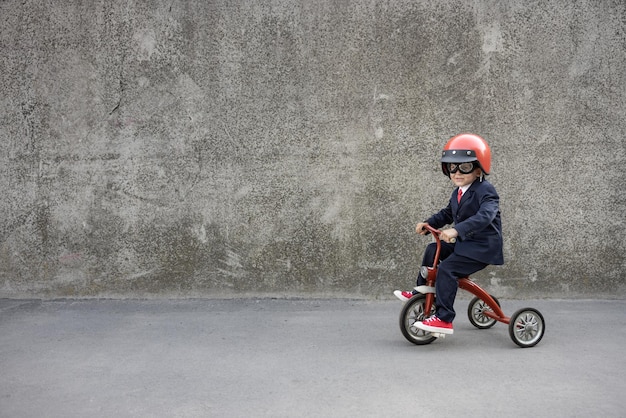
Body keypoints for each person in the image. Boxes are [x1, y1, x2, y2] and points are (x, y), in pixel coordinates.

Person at [393, 133, 504, 335]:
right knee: (433, 249)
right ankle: (421, 290)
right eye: (452, 167)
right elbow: (447, 213)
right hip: (464, 244)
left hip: (481, 248)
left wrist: (456, 230)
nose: (457, 172)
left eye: (465, 167)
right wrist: (428, 224)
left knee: (447, 270)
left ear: (479, 168)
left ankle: (444, 319)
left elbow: (485, 216)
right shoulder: (458, 192)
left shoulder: (486, 191)